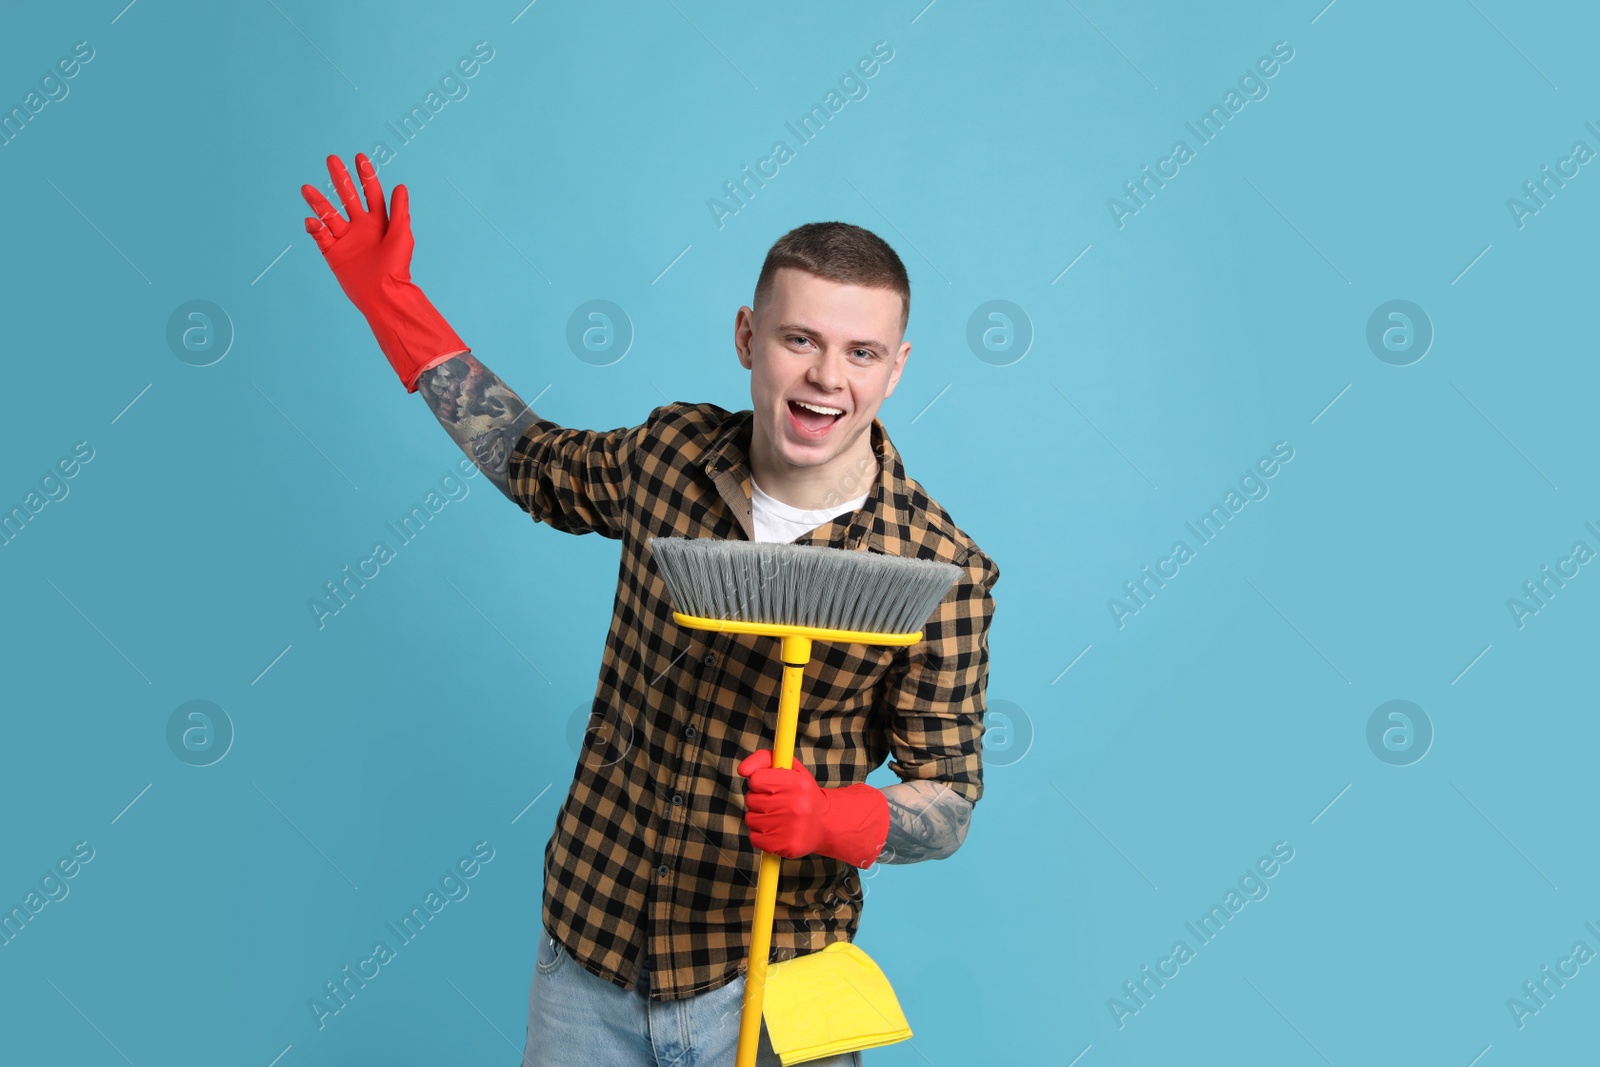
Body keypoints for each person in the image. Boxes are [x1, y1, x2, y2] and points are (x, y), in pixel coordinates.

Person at [300, 153, 1000, 1066]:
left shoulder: (940, 566)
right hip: (589, 956)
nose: (828, 376)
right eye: (800, 339)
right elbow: (526, 457)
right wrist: (393, 302)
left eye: (861, 351)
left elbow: (948, 796)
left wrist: (839, 819)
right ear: (748, 337)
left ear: (896, 368)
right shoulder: (667, 455)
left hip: (774, 977)